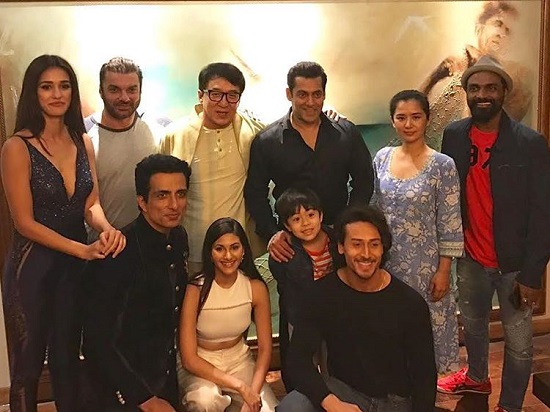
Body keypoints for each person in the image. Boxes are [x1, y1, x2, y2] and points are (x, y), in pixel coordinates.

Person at [1, 54, 125, 412]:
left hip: (72, 268)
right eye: (47, 87)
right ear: (33, 93)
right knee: (27, 368)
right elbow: (24, 223)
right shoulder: (16, 147)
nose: (57, 94)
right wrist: (81, 249)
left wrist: (107, 229)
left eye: (64, 86)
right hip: (32, 268)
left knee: (67, 360)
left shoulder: (82, 141)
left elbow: (91, 203)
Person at [436, 55, 550, 412]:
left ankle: (510, 405)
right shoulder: (454, 136)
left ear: (503, 92)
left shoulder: (530, 143)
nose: (482, 95)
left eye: (490, 88)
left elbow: (543, 211)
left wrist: (533, 274)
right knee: (473, 327)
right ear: (466, 92)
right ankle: (477, 376)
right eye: (475, 88)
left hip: (514, 265)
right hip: (471, 258)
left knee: (519, 344)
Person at [276, 205, 436, 412]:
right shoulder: (322, 295)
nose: (366, 254)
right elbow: (298, 360)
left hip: (395, 402)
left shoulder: (409, 303)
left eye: (374, 245)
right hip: (345, 393)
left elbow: (425, 375)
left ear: (383, 248)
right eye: (357, 244)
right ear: (341, 247)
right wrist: (331, 403)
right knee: (293, 406)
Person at [83, 154, 191, 411]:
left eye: (180, 194)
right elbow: (97, 342)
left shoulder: (178, 237)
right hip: (121, 391)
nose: (174, 205)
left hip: (164, 381)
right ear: (142, 201)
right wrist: (144, 399)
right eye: (162, 195)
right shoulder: (119, 252)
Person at [244, 61, 374, 264]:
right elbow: (255, 193)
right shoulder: (267, 141)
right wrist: (272, 233)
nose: (311, 102)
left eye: (317, 94)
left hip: (339, 241)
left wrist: (348, 223)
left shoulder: (346, 133)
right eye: (303, 94)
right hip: (292, 247)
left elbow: (364, 180)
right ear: (289, 94)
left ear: (324, 94)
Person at [373, 89, 463, 374]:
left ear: (427, 119)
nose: (408, 124)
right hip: (387, 265)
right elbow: (373, 211)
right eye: (401, 117)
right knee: (391, 333)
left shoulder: (442, 165)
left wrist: (444, 271)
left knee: (428, 334)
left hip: (427, 269)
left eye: (416, 117)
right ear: (393, 121)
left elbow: (450, 221)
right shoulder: (382, 158)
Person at [161, 62, 265, 275]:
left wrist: (327, 114)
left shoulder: (251, 131)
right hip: (191, 248)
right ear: (201, 95)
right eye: (216, 94)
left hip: (237, 251)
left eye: (232, 95)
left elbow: (286, 129)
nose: (224, 103)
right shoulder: (175, 135)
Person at [178, 217, 278, 412]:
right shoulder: (196, 289)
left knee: (265, 409)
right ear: (210, 252)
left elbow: (265, 349)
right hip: (201, 363)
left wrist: (252, 393)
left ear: (244, 251)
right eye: (219, 249)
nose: (228, 255)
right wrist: (240, 387)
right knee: (205, 401)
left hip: (240, 361)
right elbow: (189, 359)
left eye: (234, 247)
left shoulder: (255, 287)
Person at [419, 1, 532, 150]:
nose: (501, 34)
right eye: (498, 24)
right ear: (480, 27)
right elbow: (415, 111)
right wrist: (434, 77)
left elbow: (485, 127)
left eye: (508, 30)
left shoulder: (517, 79)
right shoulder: (455, 65)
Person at [268, 187, 343, 390]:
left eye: (310, 215)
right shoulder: (285, 252)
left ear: (321, 215)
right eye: (296, 219)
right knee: (302, 365)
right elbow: (283, 282)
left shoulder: (336, 241)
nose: (306, 223)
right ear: (287, 226)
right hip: (300, 318)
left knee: (334, 363)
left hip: (334, 316)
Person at [86, 57, 164, 239]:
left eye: (131, 90)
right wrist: (110, 234)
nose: (124, 98)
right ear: (101, 91)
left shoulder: (157, 131)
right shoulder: (84, 137)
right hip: (104, 244)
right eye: (114, 90)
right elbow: (88, 203)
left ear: (140, 91)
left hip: (150, 245)